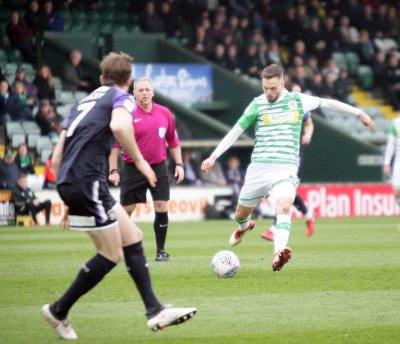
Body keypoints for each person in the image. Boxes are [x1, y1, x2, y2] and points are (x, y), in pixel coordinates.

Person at [42, 52, 196, 340]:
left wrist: (68, 196)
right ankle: (59, 310)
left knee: (132, 237)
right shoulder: (120, 97)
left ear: (101, 78)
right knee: (111, 254)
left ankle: (154, 310)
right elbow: (119, 127)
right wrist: (139, 162)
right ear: (128, 81)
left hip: (77, 183)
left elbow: (56, 158)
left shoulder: (80, 104)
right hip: (87, 181)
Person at [201, 64, 375, 272]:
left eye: (273, 88)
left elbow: (328, 103)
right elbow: (235, 131)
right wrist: (214, 156)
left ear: (283, 83)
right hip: (259, 169)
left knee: (284, 207)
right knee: (240, 214)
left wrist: (358, 113)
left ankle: (278, 253)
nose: (269, 92)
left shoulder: (297, 100)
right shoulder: (257, 104)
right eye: (265, 88)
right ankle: (244, 226)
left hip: (285, 170)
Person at [108, 77, 184, 262]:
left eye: (146, 90)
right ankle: (116, 247)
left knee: (162, 205)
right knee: (127, 209)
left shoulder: (164, 113)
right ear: (133, 93)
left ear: (152, 92)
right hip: (133, 168)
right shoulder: (127, 113)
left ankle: (161, 251)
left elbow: (173, 141)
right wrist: (114, 170)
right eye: (140, 90)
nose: (143, 93)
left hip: (158, 167)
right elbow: (114, 146)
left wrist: (179, 164)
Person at [260, 83, 315, 241]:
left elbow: (309, 124)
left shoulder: (300, 107)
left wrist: (308, 135)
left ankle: (273, 228)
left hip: (294, 155)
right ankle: (308, 214)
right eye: (295, 92)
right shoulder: (280, 106)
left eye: (300, 92)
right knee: (285, 190)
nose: (298, 96)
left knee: (285, 190)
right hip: (278, 154)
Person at [383, 115, 400, 216]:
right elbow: (391, 144)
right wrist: (386, 163)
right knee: (396, 192)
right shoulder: (396, 123)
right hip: (398, 162)